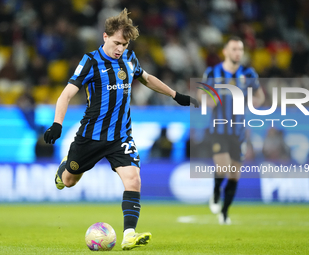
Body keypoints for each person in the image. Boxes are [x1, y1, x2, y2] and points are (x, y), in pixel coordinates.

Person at [44, 9, 198, 250]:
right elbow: (66, 94)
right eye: (116, 42)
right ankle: (65, 167)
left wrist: (175, 95)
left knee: (133, 178)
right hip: (90, 136)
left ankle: (129, 234)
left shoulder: (129, 58)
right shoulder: (90, 61)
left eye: (124, 44)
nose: (120, 48)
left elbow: (146, 78)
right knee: (69, 181)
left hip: (120, 137)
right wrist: (57, 124)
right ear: (105, 37)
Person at [199, 36, 265, 225]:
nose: (238, 53)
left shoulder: (248, 73)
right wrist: (208, 101)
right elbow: (201, 94)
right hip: (218, 129)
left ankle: (225, 213)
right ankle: (216, 191)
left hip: (239, 130)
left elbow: (259, 96)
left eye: (240, 49)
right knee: (223, 167)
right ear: (225, 52)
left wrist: (254, 103)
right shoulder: (213, 72)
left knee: (235, 174)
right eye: (234, 49)